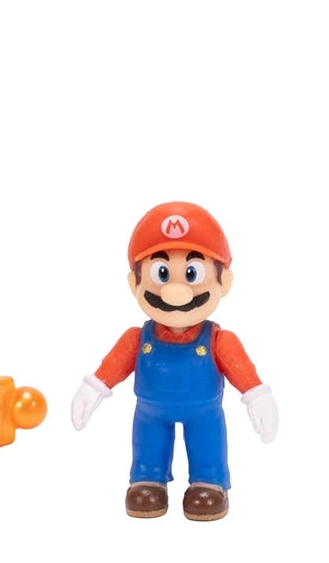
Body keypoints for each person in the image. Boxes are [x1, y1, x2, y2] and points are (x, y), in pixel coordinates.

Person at [70, 201, 278, 520]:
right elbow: (113, 365)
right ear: (134, 283)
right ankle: (147, 478)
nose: (174, 292)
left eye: (192, 273)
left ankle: (209, 481)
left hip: (204, 413)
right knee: (148, 446)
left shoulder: (219, 340)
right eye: (162, 274)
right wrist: (93, 388)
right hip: (150, 413)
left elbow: (242, 371)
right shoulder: (137, 338)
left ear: (223, 282)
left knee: (207, 444)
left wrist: (257, 395)